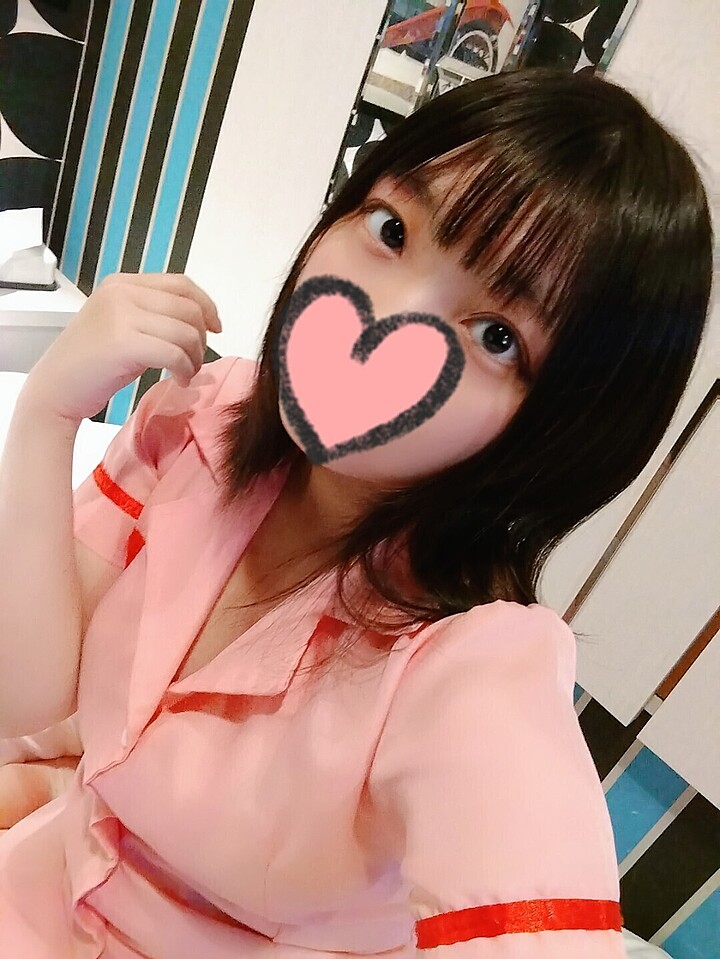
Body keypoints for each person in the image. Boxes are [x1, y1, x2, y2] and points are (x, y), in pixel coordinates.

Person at [0, 67, 712, 958]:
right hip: (50, 881)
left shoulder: (471, 664)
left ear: (560, 430)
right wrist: (47, 414)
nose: (389, 316)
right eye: (391, 229)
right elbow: (24, 692)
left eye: (497, 335)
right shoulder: (201, 417)